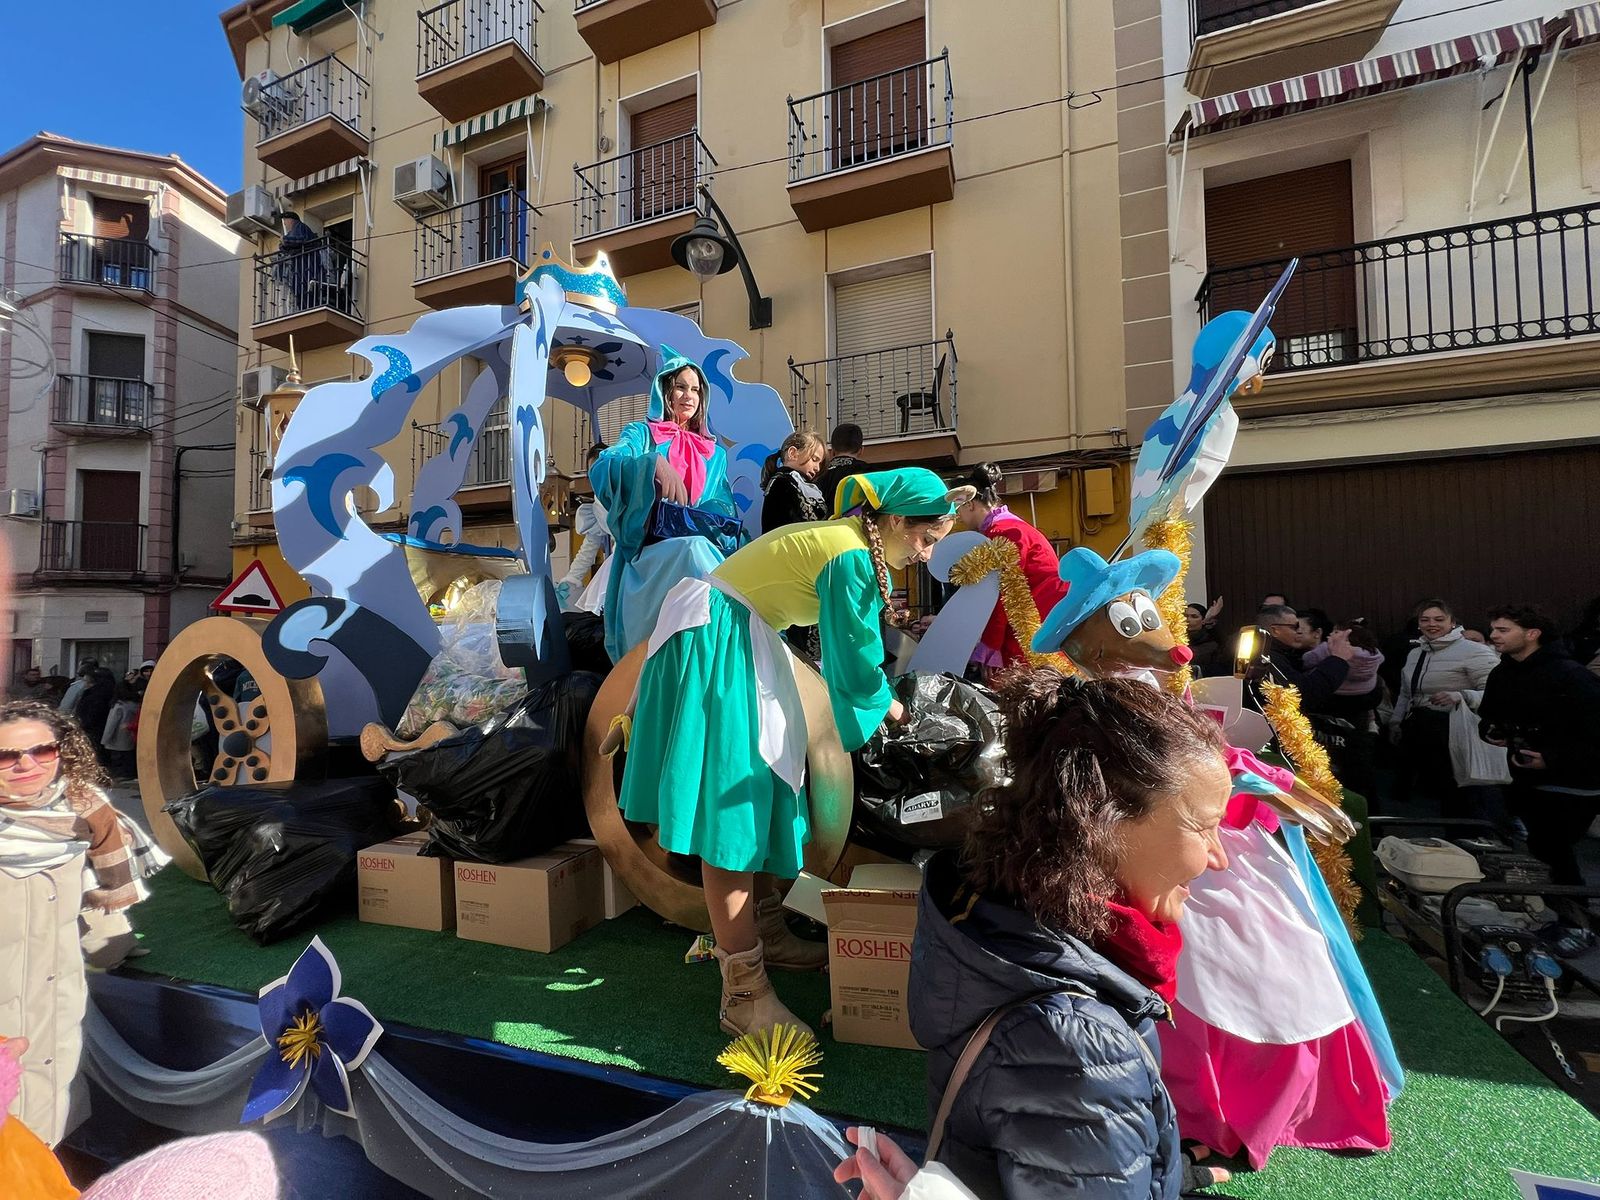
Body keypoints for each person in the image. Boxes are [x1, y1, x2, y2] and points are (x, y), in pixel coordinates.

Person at [615, 468, 967, 1036]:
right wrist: (897, 712)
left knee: (760, 789)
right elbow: (854, 656)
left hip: (724, 634)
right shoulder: (850, 553)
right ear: (897, 522)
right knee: (734, 809)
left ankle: (765, 931)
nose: (926, 555)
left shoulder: (846, 542)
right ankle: (743, 993)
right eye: (926, 540)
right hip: (719, 640)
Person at [867, 674, 1233, 1200]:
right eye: (1205, 827)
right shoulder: (1076, 1047)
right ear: (1103, 820)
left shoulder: (1001, 913)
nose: (1219, 858)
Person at [0, 700, 143, 1145]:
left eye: (42, 751)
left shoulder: (86, 816)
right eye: (6, 756)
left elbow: (104, 913)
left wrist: (114, 941)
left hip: (54, 1014)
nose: (26, 765)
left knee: (46, 1136)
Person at [589, 348, 741, 663]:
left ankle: (718, 653)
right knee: (694, 552)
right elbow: (603, 467)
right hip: (650, 551)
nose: (689, 395)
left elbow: (723, 506)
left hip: (701, 543)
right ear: (665, 391)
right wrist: (650, 463)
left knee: (719, 563)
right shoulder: (642, 434)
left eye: (696, 389)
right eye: (681, 387)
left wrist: (705, 515)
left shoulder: (715, 454)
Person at [1479, 605, 1600, 888]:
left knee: (1550, 847)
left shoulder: (1571, 676)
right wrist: (1494, 732)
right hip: (1526, 776)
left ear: (1532, 634)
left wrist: (1552, 758)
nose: (1494, 635)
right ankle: (1566, 913)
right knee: (1542, 850)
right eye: (1494, 629)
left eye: (1503, 630)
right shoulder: (1503, 673)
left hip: (1574, 782)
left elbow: (1594, 731)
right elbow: (1490, 715)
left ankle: (1575, 918)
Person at [952, 463, 1069, 677]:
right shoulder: (1010, 528)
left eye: (958, 509)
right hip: (1043, 619)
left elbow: (1003, 595)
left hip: (1032, 624)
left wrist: (990, 646)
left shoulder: (1003, 533)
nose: (958, 516)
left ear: (970, 505)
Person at [1388, 599, 1499, 816]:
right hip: (1421, 728)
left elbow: (1497, 693)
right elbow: (1406, 693)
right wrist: (1395, 722)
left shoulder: (1474, 651)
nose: (1432, 624)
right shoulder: (1416, 653)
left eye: (1439, 619)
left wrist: (1461, 696)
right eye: (1425, 620)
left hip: (1456, 729)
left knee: (1460, 792)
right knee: (1433, 791)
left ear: (1452, 622)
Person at [1255, 603, 1355, 710]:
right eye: (1295, 627)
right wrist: (1338, 659)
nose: (1299, 631)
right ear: (1275, 630)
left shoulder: (1277, 651)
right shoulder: (1265, 657)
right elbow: (1301, 695)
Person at [558, 444, 612, 609]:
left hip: (645, 558)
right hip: (620, 564)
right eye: (592, 473)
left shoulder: (632, 491)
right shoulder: (597, 505)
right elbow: (589, 546)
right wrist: (571, 578)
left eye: (600, 469)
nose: (596, 476)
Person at [758, 430, 828, 533]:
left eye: (820, 463)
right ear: (793, 453)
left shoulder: (791, 481)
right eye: (814, 459)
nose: (817, 468)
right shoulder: (783, 482)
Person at [815, 422, 866, 512]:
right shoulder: (868, 473)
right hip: (855, 524)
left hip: (821, 525)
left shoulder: (818, 473)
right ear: (861, 450)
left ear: (832, 451)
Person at [100, 678, 141, 781]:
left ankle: (122, 775)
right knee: (128, 758)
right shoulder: (136, 704)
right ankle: (130, 774)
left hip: (117, 737)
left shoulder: (119, 706)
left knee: (119, 759)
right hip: (130, 736)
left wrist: (105, 740)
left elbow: (111, 724)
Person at [1185, 600, 1227, 677]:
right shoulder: (1175, 637)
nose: (1188, 620)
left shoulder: (1211, 643)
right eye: (1185, 616)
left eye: (1194, 616)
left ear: (1203, 620)